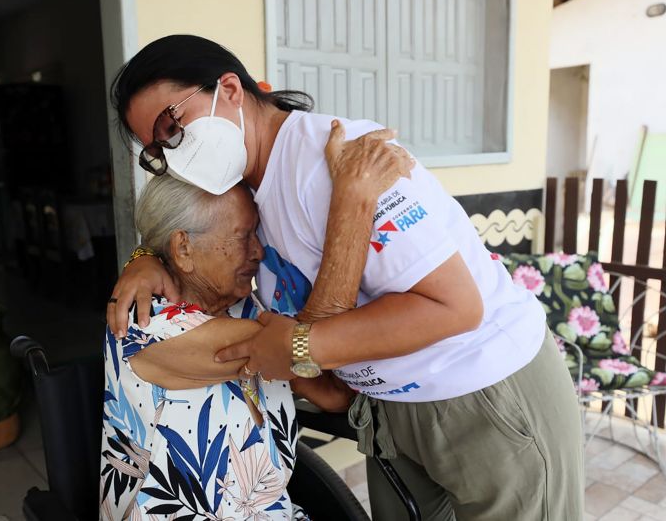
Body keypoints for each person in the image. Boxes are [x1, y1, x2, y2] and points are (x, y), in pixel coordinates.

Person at [107, 34, 584, 520]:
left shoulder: (345, 160)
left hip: (480, 392)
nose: (172, 155)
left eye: (172, 125)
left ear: (229, 89)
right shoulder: (240, 189)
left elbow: (455, 306)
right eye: (156, 151)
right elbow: (185, 236)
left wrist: (300, 346)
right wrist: (146, 254)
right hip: (392, 410)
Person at [100, 124, 409, 520]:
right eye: (244, 235)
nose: (259, 251)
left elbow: (331, 393)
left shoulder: (245, 307)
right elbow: (306, 345)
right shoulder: (143, 321)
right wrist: (352, 204)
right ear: (183, 248)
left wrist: (141, 253)